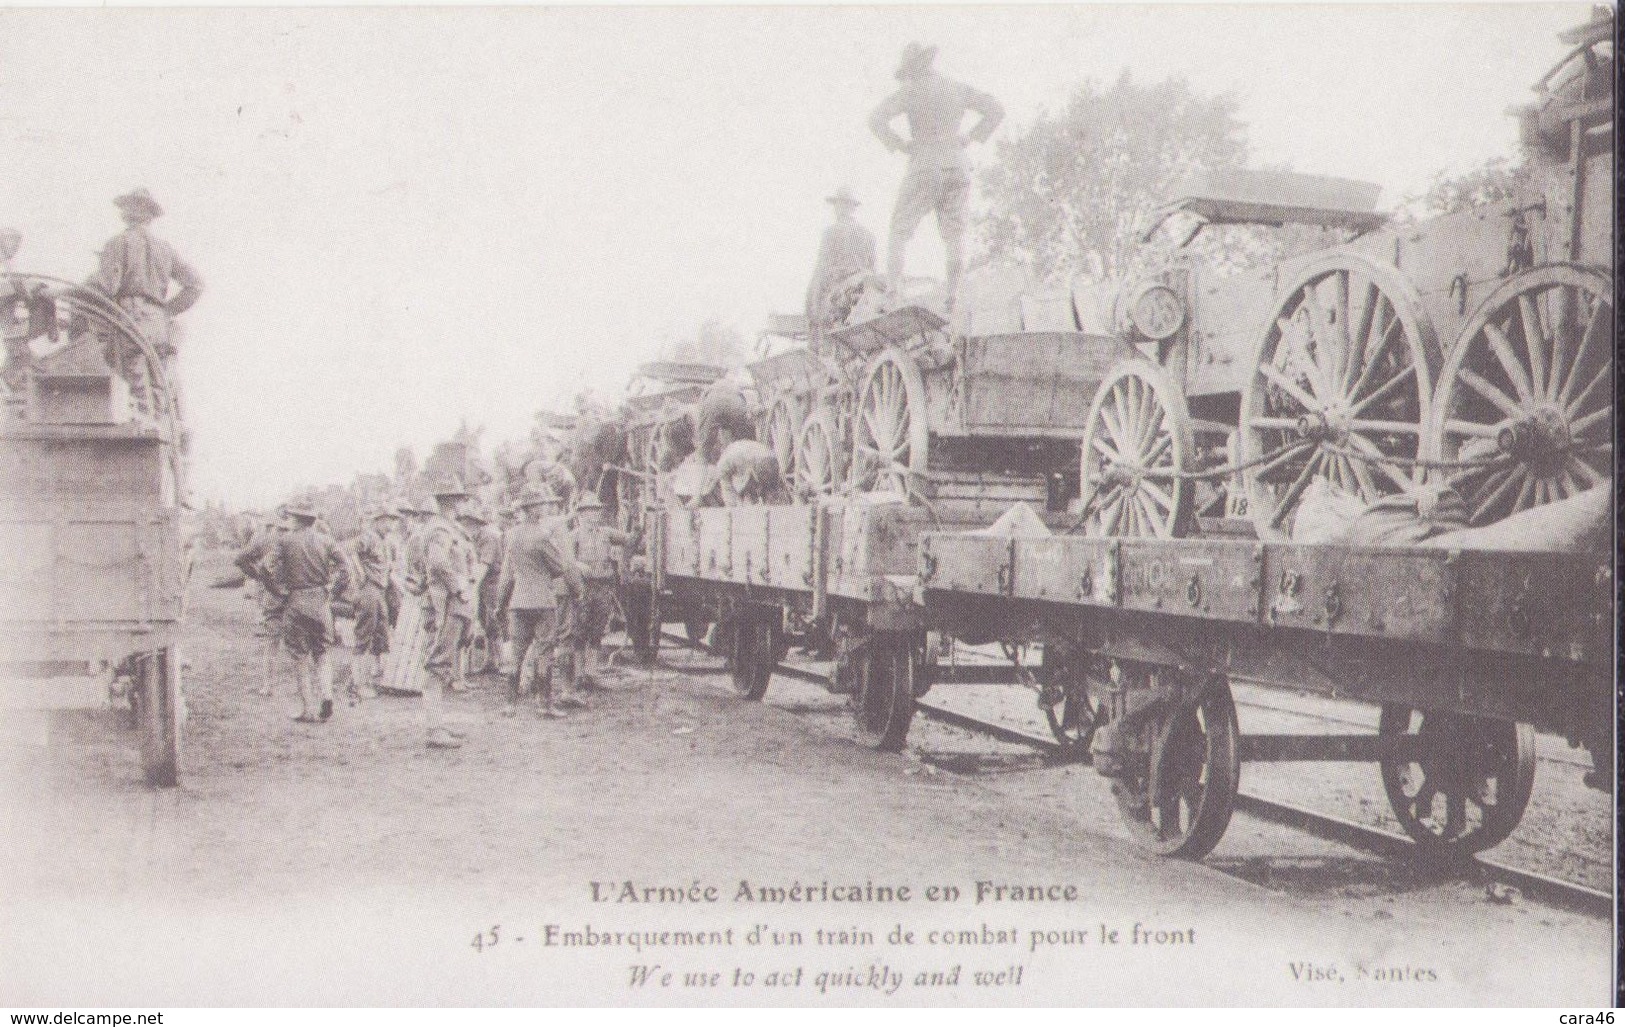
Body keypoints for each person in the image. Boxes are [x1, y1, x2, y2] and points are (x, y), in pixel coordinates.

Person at [868, 43, 1004, 309]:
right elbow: (996, 109)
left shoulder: (911, 91)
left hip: (924, 164)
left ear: (912, 68)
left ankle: (893, 292)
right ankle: (952, 295)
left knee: (899, 229)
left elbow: (875, 119)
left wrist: (901, 145)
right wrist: (969, 138)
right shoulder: (957, 87)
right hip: (957, 165)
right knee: (954, 235)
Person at [87, 188, 203, 414]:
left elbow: (105, 286)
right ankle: (158, 435)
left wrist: (68, 295)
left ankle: (137, 436)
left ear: (128, 212)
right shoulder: (165, 249)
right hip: (158, 323)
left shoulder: (118, 243)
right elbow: (195, 285)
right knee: (158, 382)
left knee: (130, 383)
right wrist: (166, 311)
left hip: (129, 318)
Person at [497, 483, 583, 719]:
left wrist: (500, 604)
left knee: (517, 652)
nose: (544, 508)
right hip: (543, 601)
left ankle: (510, 704)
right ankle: (543, 705)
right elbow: (559, 567)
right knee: (544, 652)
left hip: (518, 601)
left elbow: (507, 575)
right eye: (541, 505)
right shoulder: (543, 535)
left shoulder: (510, 535)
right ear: (533, 509)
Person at [260, 503, 350, 723]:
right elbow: (345, 569)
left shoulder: (285, 541)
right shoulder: (327, 541)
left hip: (296, 600)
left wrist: (277, 591)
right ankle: (327, 695)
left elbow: (264, 568)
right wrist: (333, 591)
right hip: (321, 601)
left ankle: (308, 709)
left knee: (299, 656)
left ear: (297, 519)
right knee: (322, 652)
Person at [414, 477, 478, 748]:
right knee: (436, 664)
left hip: (453, 604)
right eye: (459, 500)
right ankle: (433, 729)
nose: (462, 504)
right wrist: (459, 587)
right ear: (452, 502)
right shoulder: (440, 530)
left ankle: (438, 724)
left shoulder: (450, 530)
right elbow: (438, 563)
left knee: (442, 665)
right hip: (445, 604)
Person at [567, 494, 629, 689]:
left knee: (597, 629)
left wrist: (635, 520)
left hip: (603, 586)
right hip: (583, 587)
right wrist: (578, 564)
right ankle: (578, 674)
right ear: (581, 514)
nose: (593, 514)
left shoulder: (607, 533)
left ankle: (591, 673)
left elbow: (630, 540)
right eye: (589, 511)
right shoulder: (574, 535)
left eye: (596, 510)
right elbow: (565, 560)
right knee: (578, 630)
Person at [804, 186, 877, 332]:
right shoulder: (868, 235)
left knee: (820, 321)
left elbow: (821, 269)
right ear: (853, 208)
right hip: (864, 291)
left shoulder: (831, 233)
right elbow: (873, 268)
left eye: (837, 205)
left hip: (840, 291)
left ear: (840, 207)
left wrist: (810, 304)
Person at [347, 505, 401, 700]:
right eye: (388, 521)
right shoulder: (368, 537)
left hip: (380, 590)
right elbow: (350, 552)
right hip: (369, 590)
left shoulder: (384, 541)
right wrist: (359, 574)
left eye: (393, 521)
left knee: (380, 633)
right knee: (364, 636)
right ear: (378, 520)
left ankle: (371, 678)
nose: (391, 525)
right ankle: (357, 685)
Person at [233, 508, 289, 697]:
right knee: (300, 642)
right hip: (295, 595)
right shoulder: (298, 538)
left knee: (272, 641)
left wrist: (258, 577)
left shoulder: (265, 538)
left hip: (273, 594)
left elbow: (240, 559)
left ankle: (268, 685)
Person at [712, 438, 791, 506]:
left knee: (768, 493)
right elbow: (727, 490)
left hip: (764, 458)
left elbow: (728, 490)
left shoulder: (728, 461)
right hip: (767, 456)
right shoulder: (725, 464)